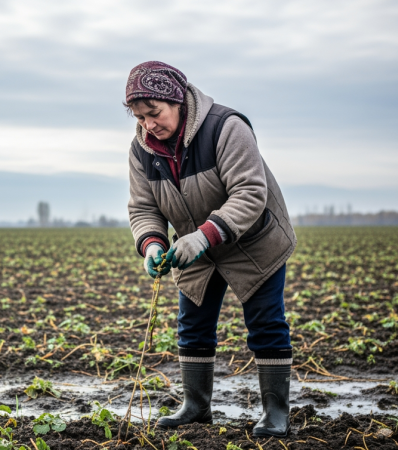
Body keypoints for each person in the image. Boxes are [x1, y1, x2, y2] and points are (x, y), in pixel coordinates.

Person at [125, 61, 296, 437]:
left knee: (266, 323)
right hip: (193, 246)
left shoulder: (225, 127)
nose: (149, 125)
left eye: (155, 113)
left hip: (252, 239)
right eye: (140, 117)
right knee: (193, 326)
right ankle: (196, 407)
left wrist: (205, 235)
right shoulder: (142, 150)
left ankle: (276, 414)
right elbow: (143, 207)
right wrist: (153, 244)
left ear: (178, 102)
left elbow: (250, 193)